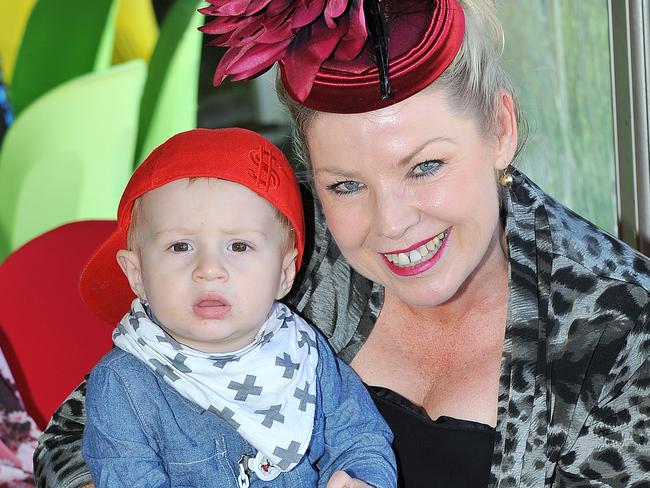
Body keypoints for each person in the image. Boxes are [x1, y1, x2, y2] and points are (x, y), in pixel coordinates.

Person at [35, 0, 650, 486]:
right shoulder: (275, 247)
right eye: (347, 184)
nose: (391, 223)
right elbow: (72, 440)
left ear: (500, 130)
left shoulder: (620, 339)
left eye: (426, 166)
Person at [78, 128, 396, 488]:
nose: (210, 269)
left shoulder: (303, 352)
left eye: (240, 247)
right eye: (180, 246)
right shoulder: (123, 385)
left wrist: (362, 479)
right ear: (137, 274)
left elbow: (358, 436)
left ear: (284, 273)